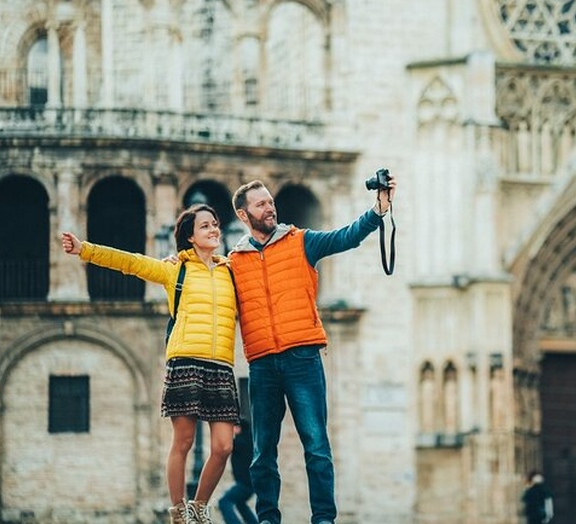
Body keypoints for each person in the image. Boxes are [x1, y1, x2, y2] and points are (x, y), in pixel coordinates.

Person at [229, 175, 396, 524]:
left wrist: (378, 211)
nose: (269, 207)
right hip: (261, 364)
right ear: (244, 216)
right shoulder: (234, 263)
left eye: (270, 201)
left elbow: (345, 237)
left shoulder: (300, 242)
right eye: (260, 204)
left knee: (317, 447)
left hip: (302, 357)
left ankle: (323, 518)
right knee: (262, 453)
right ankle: (268, 519)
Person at [61, 203, 241, 524]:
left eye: (215, 224)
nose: (214, 230)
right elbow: (130, 263)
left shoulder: (231, 271)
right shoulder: (176, 270)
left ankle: (199, 507)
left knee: (224, 446)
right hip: (186, 360)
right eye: (205, 226)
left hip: (221, 366)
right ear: (190, 237)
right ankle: (178, 511)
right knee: (183, 441)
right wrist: (84, 250)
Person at [218, 418, 258, 524]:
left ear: (239, 428)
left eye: (234, 427)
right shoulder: (249, 440)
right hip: (250, 483)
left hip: (245, 484)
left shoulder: (241, 442)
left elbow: (225, 445)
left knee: (224, 502)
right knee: (240, 504)